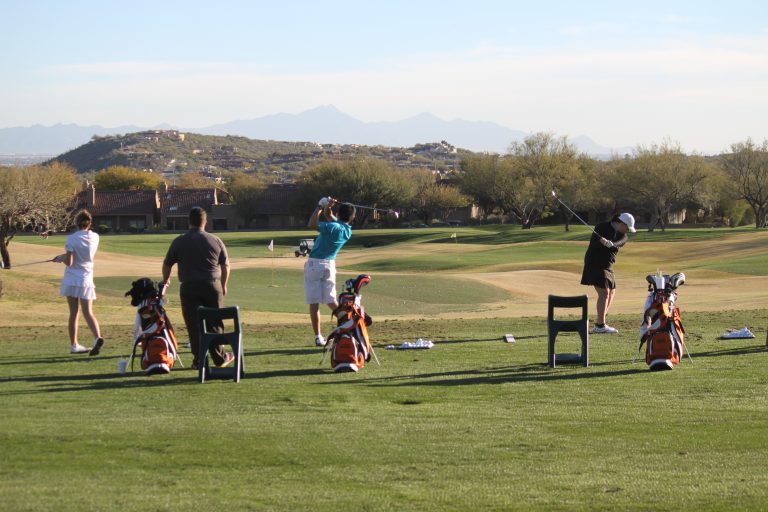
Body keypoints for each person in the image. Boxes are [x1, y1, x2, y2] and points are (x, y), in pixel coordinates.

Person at [161, 206, 233, 369]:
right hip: (212, 285)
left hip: (189, 287)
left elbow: (167, 264)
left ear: (189, 222)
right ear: (205, 222)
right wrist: (224, 285)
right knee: (214, 322)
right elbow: (225, 265)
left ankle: (199, 360)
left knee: (194, 324)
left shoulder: (179, 241)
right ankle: (220, 357)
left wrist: (165, 280)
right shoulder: (215, 240)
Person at [304, 197, 356, 346]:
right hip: (330, 265)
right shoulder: (347, 231)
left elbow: (311, 224)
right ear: (352, 218)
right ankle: (348, 323)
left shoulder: (332, 226)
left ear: (338, 214)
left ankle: (318, 337)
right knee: (330, 300)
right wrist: (329, 206)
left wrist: (319, 206)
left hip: (315, 264)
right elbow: (329, 216)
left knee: (314, 302)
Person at [53, 209, 105, 355]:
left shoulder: (72, 238)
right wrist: (62, 256)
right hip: (86, 278)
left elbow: (69, 262)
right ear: (90, 223)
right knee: (88, 312)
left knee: (74, 313)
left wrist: (61, 258)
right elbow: (79, 255)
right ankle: (97, 337)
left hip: (71, 279)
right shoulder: (95, 237)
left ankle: (74, 345)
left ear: (76, 223)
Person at [580, 212, 636, 334]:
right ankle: (600, 325)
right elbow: (594, 244)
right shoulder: (601, 227)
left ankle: (600, 321)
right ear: (621, 224)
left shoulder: (623, 236)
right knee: (604, 293)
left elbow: (620, 243)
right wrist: (603, 243)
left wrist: (611, 243)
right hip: (595, 263)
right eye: (627, 228)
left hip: (608, 265)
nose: (627, 231)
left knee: (612, 292)